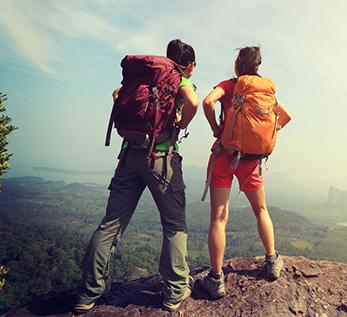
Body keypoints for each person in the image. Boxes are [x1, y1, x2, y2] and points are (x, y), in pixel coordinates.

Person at [74, 39, 198, 313]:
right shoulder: (179, 78)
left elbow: (117, 94)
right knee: (174, 224)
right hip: (161, 159)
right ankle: (175, 290)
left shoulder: (142, 79)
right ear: (190, 66)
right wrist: (181, 123)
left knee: (111, 224)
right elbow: (193, 101)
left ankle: (88, 293)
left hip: (129, 156)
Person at [198, 46, 292, 299]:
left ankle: (215, 279)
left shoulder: (231, 85)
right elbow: (286, 116)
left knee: (218, 218)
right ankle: (272, 260)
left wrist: (217, 129)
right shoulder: (265, 89)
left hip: (224, 157)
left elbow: (207, 102)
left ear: (238, 64)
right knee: (261, 210)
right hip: (250, 161)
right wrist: (266, 134)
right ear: (258, 66)